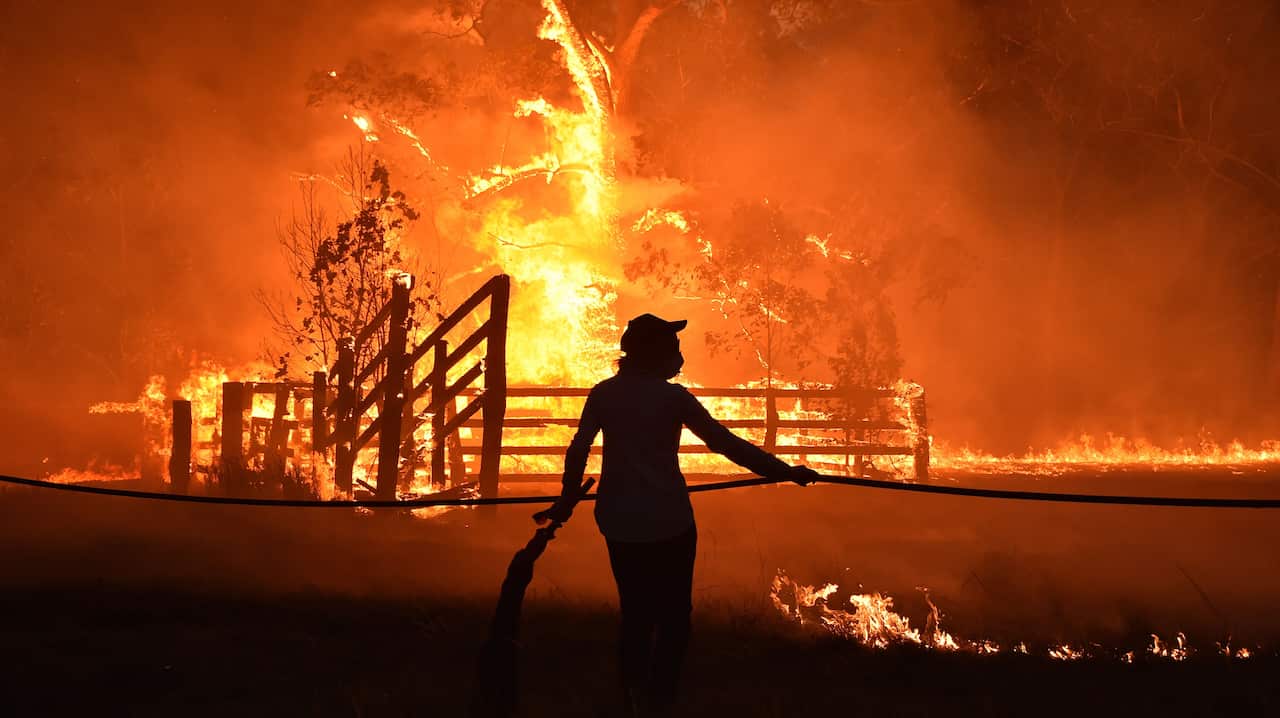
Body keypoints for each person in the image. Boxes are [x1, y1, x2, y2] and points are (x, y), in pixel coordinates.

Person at [536, 313, 819, 715]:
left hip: (620, 521)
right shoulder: (673, 399)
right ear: (653, 353)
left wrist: (566, 499)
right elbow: (725, 444)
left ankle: (632, 697)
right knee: (674, 616)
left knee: (635, 612)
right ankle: (661, 698)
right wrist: (784, 472)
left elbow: (579, 447)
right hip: (670, 522)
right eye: (674, 349)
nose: (680, 359)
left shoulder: (603, 394)